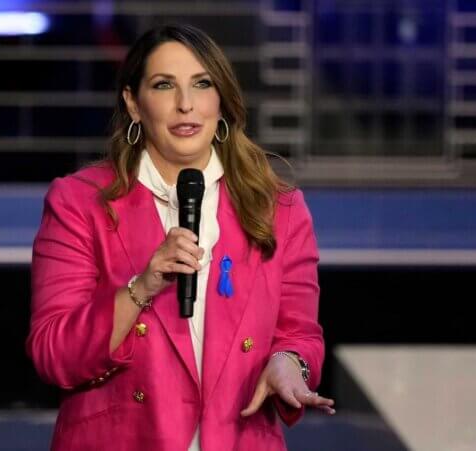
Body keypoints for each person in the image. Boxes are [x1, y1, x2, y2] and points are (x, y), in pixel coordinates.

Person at [27, 24, 334, 451]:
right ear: (134, 103)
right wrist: (143, 286)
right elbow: (54, 353)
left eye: (201, 84)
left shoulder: (279, 209)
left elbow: (300, 334)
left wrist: (289, 364)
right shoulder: (79, 203)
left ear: (221, 100)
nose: (186, 105)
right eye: (164, 85)